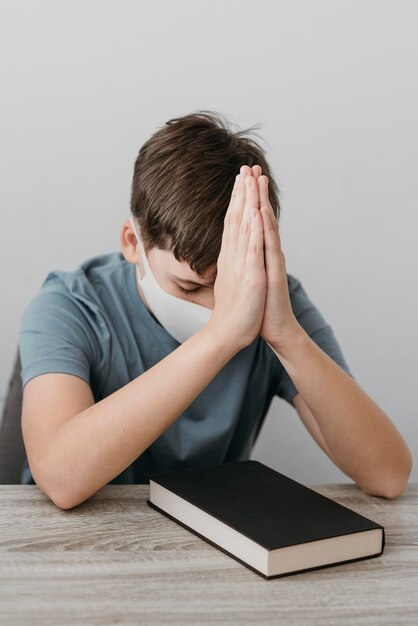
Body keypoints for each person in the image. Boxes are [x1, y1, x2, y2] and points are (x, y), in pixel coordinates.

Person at [18, 111, 412, 509]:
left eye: (230, 285)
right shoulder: (68, 306)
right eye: (189, 287)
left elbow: (388, 475)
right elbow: (61, 479)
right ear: (132, 243)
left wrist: (288, 337)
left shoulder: (274, 301)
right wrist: (221, 337)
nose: (218, 306)